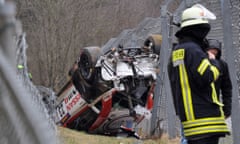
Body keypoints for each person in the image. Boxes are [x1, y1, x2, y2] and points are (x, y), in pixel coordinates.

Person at [168, 4, 230, 144]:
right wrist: (214, 62)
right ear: (197, 30)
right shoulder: (194, 51)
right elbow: (207, 77)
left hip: (190, 121)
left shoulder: (176, 53)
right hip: (205, 120)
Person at [206, 39, 232, 118]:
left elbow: (226, 88)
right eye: (211, 50)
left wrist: (227, 109)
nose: (213, 53)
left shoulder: (222, 65)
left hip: (214, 105)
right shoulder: (200, 62)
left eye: (215, 51)